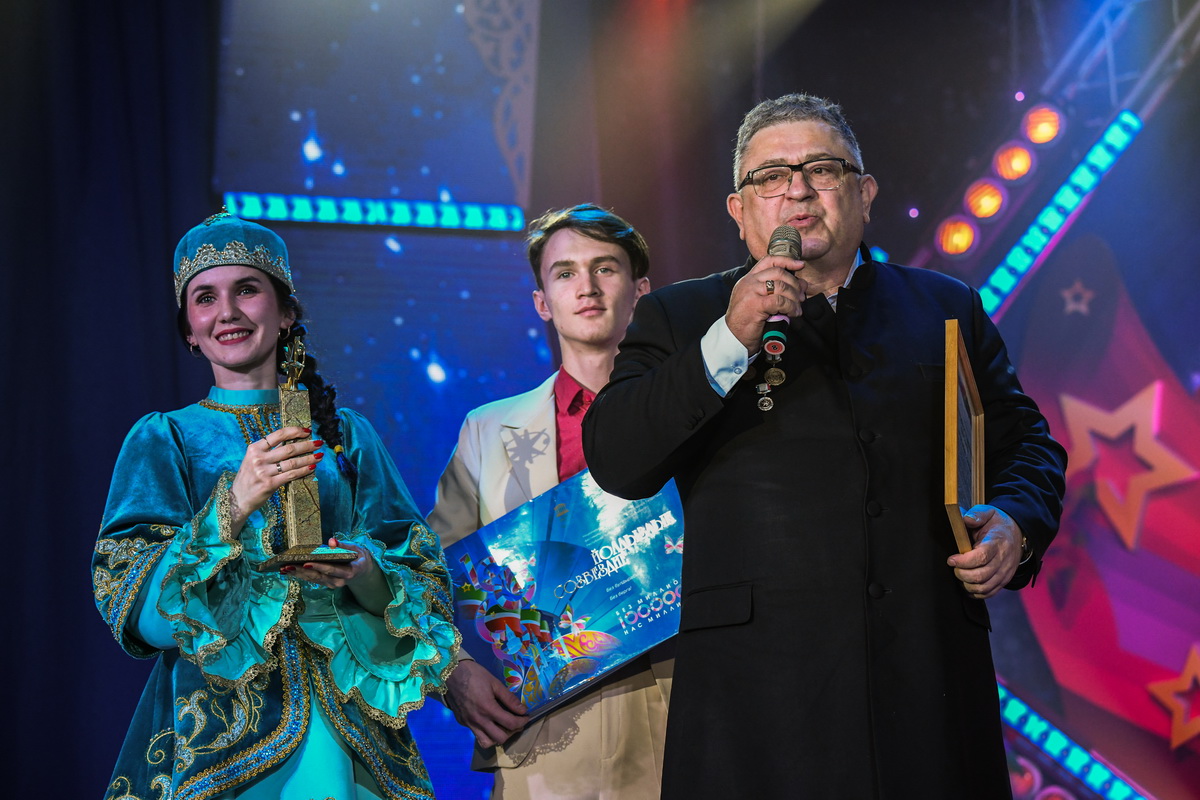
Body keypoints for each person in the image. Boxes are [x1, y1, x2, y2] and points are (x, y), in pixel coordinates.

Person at [582, 94, 1068, 798]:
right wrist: (729, 338)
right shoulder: (681, 315)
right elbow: (617, 457)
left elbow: (1027, 444)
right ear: (739, 210)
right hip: (756, 708)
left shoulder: (943, 306)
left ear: (864, 194)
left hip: (929, 689)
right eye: (770, 176)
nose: (798, 190)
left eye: (822, 169)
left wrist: (1016, 524)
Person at [92, 212, 459, 800]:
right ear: (190, 331)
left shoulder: (347, 437)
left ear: (286, 312)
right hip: (221, 734)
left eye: (247, 290)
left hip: (352, 728)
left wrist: (365, 572)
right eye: (205, 298)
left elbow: (425, 577)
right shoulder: (166, 439)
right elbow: (134, 605)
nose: (227, 312)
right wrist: (233, 502)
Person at [428, 204, 671, 799]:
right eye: (565, 273)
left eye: (605, 268)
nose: (586, 287)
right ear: (542, 302)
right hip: (539, 731)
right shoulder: (486, 431)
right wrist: (454, 669)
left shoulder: (691, 411)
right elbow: (431, 572)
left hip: (678, 711)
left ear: (641, 291)